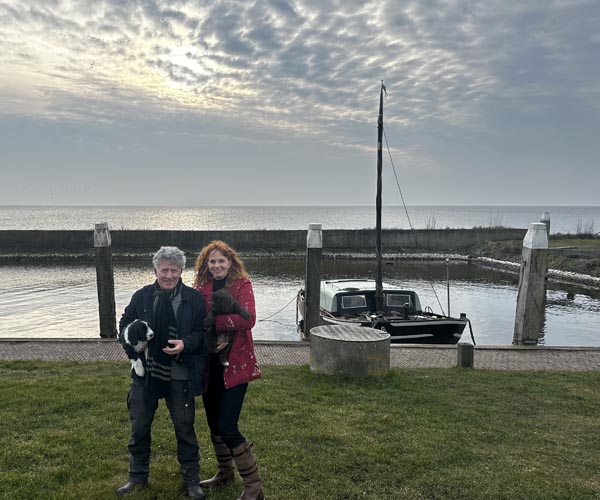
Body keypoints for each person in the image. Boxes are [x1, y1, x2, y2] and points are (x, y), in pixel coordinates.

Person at [116, 246, 207, 499]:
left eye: (174, 270)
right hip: (146, 374)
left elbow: (202, 334)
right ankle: (137, 477)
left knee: (185, 428)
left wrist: (185, 344)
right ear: (155, 270)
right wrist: (135, 348)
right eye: (164, 270)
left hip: (180, 373)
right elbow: (124, 326)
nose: (169, 275)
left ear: (181, 271)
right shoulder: (141, 296)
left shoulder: (194, 298)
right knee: (140, 426)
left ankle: (191, 481)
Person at [193, 240, 264, 500]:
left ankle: (254, 488)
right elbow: (196, 320)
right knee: (214, 423)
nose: (216, 265)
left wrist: (214, 324)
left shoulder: (242, 285)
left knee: (228, 425)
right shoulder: (201, 288)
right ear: (206, 264)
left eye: (221, 260)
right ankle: (225, 472)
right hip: (209, 366)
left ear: (230, 262)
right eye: (212, 261)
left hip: (236, 365)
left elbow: (248, 319)